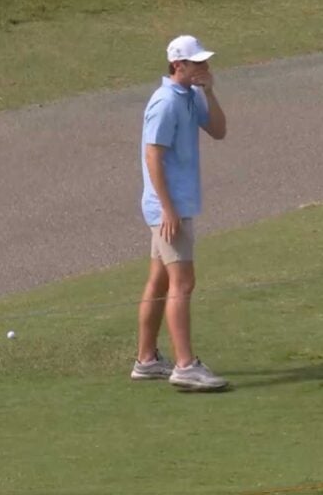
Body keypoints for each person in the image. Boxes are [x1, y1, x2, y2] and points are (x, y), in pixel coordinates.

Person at [130, 34, 229, 391]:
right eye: (197, 62)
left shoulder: (189, 97)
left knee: (159, 281)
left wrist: (210, 91)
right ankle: (185, 366)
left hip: (176, 204)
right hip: (167, 207)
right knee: (183, 283)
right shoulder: (165, 102)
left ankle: (147, 360)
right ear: (178, 66)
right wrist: (169, 211)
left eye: (204, 61)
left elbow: (218, 131)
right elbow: (152, 156)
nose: (204, 67)